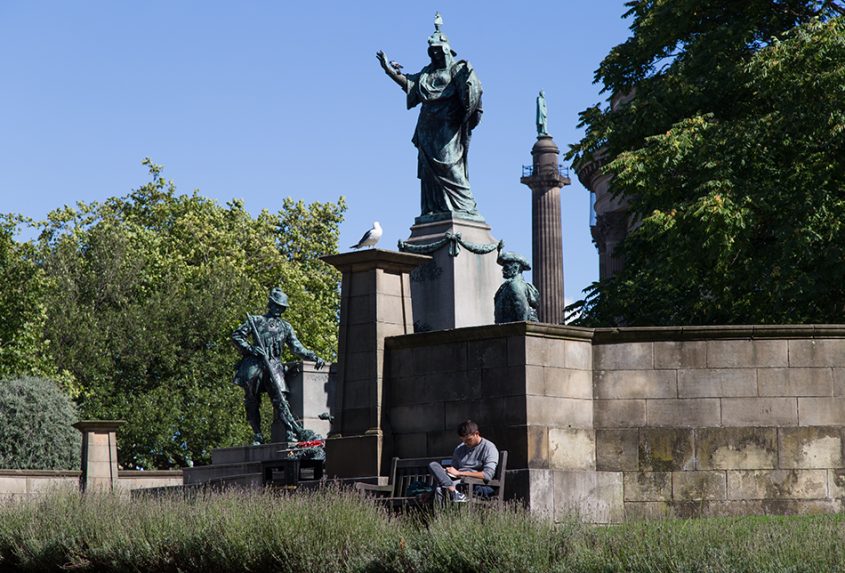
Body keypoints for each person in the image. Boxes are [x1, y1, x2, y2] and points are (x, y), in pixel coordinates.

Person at [376, 12, 483, 219]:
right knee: (429, 175)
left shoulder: (456, 70)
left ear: (446, 50)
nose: (435, 55)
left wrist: (469, 82)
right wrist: (389, 70)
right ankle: (434, 211)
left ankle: (465, 208)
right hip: (427, 130)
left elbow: (471, 94)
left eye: (438, 51)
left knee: (452, 169)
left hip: (448, 130)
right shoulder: (426, 73)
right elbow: (409, 83)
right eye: (432, 51)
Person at [231, 287, 325, 445]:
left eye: (281, 307)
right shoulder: (256, 320)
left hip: (274, 364)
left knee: (281, 398)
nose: (278, 309)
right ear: (270, 304)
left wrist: (313, 356)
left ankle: (291, 431)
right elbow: (237, 335)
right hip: (255, 363)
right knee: (252, 400)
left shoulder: (285, 327)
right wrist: (251, 349)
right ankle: (257, 434)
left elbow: (297, 347)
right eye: (275, 305)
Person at [428, 420, 499, 502]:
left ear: (476, 434)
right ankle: (454, 491)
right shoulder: (460, 448)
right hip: (455, 481)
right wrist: (448, 472)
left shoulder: (489, 448)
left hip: (473, 484)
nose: (465, 443)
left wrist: (460, 473)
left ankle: (452, 493)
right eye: (463, 440)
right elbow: (452, 472)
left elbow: (487, 475)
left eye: (468, 440)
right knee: (433, 465)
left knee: (439, 489)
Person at [494, 251, 540, 323]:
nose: (503, 270)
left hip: (513, 331)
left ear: (515, 268)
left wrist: (520, 332)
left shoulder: (515, 285)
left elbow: (523, 310)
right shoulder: (507, 286)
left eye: (506, 267)